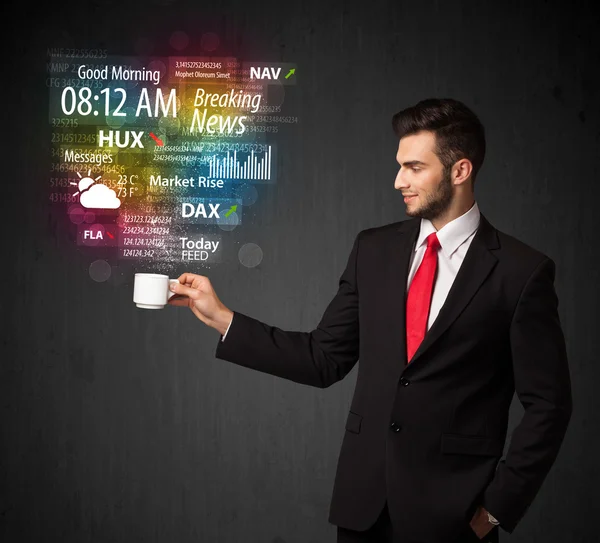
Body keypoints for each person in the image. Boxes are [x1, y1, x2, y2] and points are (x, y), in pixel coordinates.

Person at [167, 98, 573, 543]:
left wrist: (496, 508)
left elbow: (550, 405)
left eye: (414, 167)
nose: (398, 180)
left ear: (460, 171)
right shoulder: (373, 250)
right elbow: (323, 359)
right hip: (363, 510)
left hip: (456, 520)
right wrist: (223, 318)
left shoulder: (521, 271)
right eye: (400, 166)